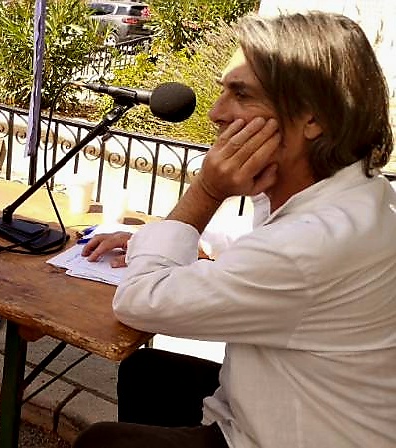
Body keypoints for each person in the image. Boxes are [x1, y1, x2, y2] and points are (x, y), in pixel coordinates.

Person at [74, 11, 396, 448]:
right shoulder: (359, 196)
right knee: (149, 373)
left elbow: (138, 302)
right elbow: (261, 245)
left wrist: (206, 191)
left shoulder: (309, 244)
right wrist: (169, 241)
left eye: (241, 94)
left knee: (102, 443)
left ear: (313, 117)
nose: (216, 113)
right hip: (294, 406)